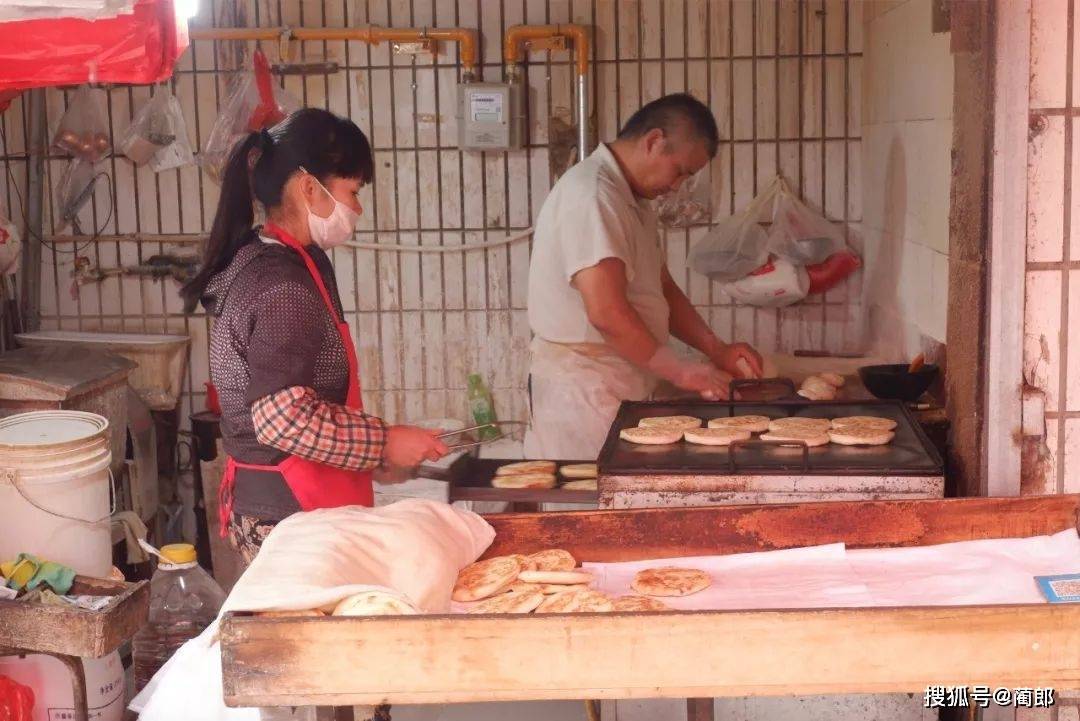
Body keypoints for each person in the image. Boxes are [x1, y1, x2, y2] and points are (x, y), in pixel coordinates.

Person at [181, 108, 447, 563]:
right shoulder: (282, 285)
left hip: (292, 501)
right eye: (352, 191)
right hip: (289, 513)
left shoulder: (275, 259)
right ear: (309, 188)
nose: (357, 208)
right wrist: (383, 441)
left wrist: (377, 460)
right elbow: (282, 419)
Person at [524, 93, 764, 459]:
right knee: (590, 511)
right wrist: (682, 372)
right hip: (583, 391)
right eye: (681, 171)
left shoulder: (630, 200)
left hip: (615, 381)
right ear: (653, 141)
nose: (678, 186)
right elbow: (606, 312)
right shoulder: (593, 196)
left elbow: (660, 288)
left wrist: (717, 349)